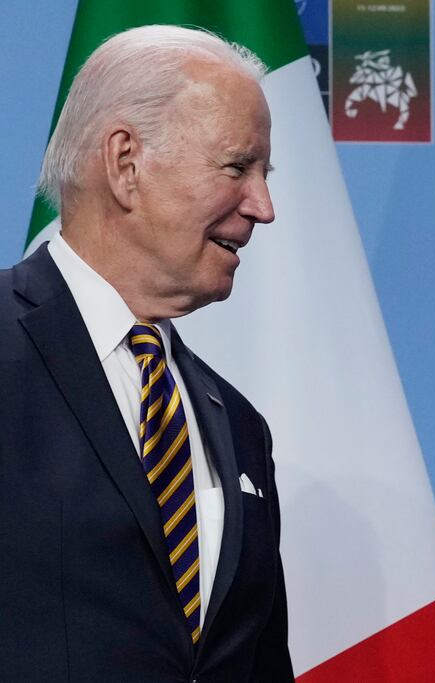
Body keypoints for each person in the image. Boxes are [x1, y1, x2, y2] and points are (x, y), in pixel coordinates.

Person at [0, 25, 293, 681]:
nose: (264, 206)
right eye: (238, 166)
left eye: (265, 174)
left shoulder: (240, 426)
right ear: (125, 162)